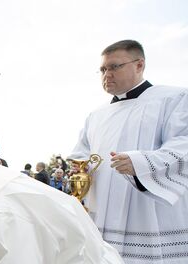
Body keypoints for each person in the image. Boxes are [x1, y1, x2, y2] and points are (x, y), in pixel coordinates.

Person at [69, 39, 188, 263]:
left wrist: (141, 163)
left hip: (149, 212)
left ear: (139, 65)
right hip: (103, 209)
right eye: (103, 69)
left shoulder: (175, 98)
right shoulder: (96, 115)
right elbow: (81, 154)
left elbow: (184, 144)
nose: (107, 74)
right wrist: (78, 167)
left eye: (114, 66)